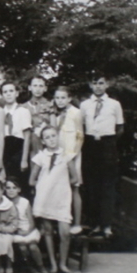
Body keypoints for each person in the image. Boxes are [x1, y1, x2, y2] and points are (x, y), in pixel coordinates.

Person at [29, 126, 79, 273]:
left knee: (65, 233)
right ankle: (53, 264)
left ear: (58, 137)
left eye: (53, 136)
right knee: (48, 232)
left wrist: (61, 185)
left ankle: (63, 264)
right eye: (47, 137)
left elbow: (75, 177)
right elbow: (32, 180)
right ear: (43, 141)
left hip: (61, 198)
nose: (51, 139)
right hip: (45, 198)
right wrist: (44, 186)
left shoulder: (66, 155)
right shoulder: (40, 157)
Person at [79, 73, 124, 238]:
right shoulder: (84, 105)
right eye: (94, 83)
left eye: (101, 83)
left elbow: (120, 128)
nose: (98, 86)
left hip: (107, 146)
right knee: (92, 186)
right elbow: (81, 126)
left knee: (108, 186)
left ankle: (107, 225)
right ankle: (95, 224)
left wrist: (108, 142)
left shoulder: (114, 104)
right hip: (90, 146)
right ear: (90, 85)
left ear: (107, 84)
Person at [52, 86, 84, 235]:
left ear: (69, 98)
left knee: (74, 187)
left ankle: (77, 223)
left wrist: (74, 154)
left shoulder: (76, 113)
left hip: (72, 155)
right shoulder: (54, 113)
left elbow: (80, 135)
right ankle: (59, 222)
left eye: (63, 98)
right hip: (58, 154)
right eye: (57, 98)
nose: (60, 101)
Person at [5, 177, 51, 273]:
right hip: (15, 231)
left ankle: (41, 268)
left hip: (28, 229)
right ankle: (31, 268)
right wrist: (17, 231)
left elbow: (32, 222)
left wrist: (27, 232)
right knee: (22, 248)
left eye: (14, 187)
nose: (11, 190)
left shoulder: (24, 202)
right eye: (8, 188)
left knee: (33, 247)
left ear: (19, 189)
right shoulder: (5, 203)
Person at [1, 81, 32, 182]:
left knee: (20, 181)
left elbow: (27, 136)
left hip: (19, 148)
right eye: (5, 92)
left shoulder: (23, 111)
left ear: (17, 93)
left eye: (11, 91)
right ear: (2, 95)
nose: (8, 94)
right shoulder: (0, 112)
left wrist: (24, 159)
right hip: (5, 148)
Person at [23, 76, 55, 158]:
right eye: (35, 86)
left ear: (45, 88)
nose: (38, 89)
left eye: (41, 86)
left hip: (46, 143)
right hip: (29, 144)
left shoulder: (50, 105)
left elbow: (54, 126)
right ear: (30, 88)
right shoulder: (24, 106)